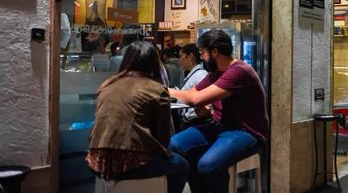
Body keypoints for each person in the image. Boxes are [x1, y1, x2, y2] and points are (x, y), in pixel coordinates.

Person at [169, 30, 268, 193]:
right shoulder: (216, 74)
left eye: (202, 52)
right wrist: (204, 106)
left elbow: (195, 99)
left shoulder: (239, 71)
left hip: (247, 133)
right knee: (174, 145)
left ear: (214, 51)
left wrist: (167, 91)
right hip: (221, 127)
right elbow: (194, 93)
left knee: (208, 164)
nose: (201, 57)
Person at [86, 41, 188, 193]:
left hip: (97, 161)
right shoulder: (156, 89)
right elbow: (163, 139)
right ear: (155, 63)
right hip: (130, 163)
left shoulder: (107, 85)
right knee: (182, 166)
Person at [178, 43, 210, 128]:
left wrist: (187, 117)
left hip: (194, 123)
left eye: (181, 56)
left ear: (190, 56)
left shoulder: (200, 75)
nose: (179, 60)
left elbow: (200, 100)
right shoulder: (195, 74)